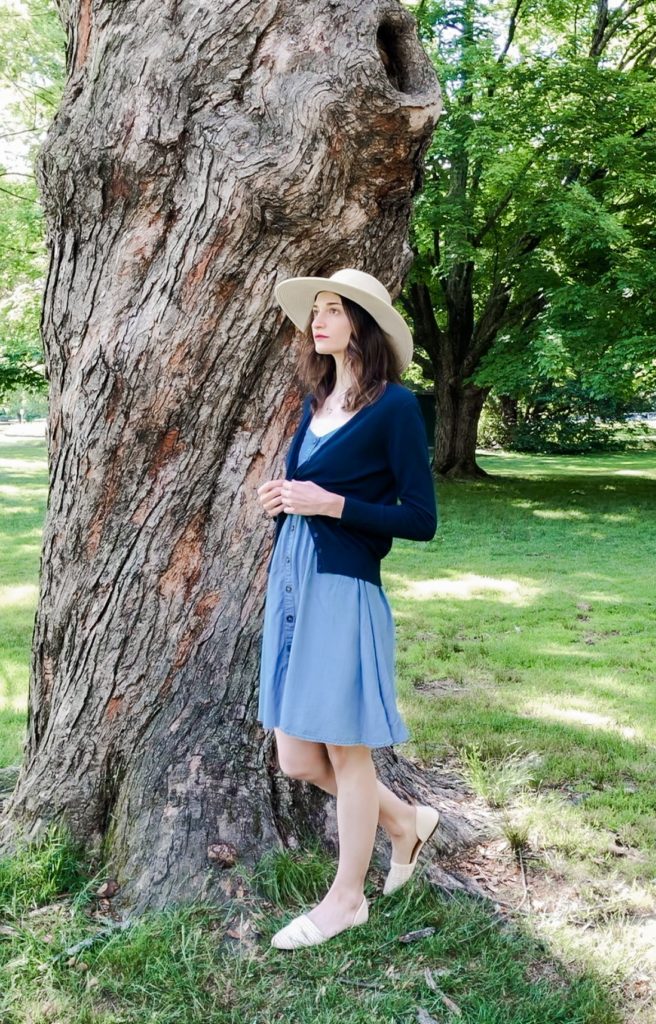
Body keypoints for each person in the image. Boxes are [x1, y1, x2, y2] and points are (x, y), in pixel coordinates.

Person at [256, 268, 440, 950]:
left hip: (344, 585)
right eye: (316, 311)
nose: (318, 321)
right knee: (297, 758)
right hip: (293, 581)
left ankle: (346, 898)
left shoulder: (395, 408)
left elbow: (419, 519)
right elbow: (302, 489)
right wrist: (282, 500)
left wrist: (330, 504)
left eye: (333, 310)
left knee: (345, 749)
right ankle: (403, 822)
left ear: (363, 325)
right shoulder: (315, 401)